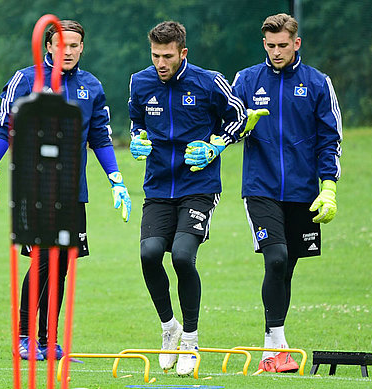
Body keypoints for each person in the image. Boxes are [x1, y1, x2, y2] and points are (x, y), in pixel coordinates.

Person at [0, 20, 131, 361]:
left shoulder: (91, 86)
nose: (67, 52)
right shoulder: (26, 80)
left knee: (62, 266)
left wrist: (116, 180)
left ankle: (48, 340)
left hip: (73, 192)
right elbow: (4, 129)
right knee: (43, 260)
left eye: (74, 46)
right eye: (61, 45)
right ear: (48, 46)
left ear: (82, 48)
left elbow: (99, 137)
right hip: (34, 189)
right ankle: (25, 337)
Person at [128, 21, 247, 376]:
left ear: (183, 53)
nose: (160, 63)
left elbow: (239, 116)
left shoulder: (209, 81)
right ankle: (169, 329)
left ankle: (191, 340)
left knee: (181, 256)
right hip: (158, 187)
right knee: (149, 255)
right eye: (155, 55)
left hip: (199, 186)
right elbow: (136, 120)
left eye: (167, 56)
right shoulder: (140, 82)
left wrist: (216, 145)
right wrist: (137, 138)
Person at [230, 13, 342, 373]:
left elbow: (330, 138)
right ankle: (273, 348)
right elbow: (224, 125)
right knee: (275, 257)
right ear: (264, 43)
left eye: (283, 45)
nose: (276, 52)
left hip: (302, 192)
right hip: (260, 188)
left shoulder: (317, 83)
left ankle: (272, 348)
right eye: (270, 45)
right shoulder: (246, 80)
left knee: (286, 267)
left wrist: (328, 187)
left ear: (296, 43)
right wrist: (240, 127)